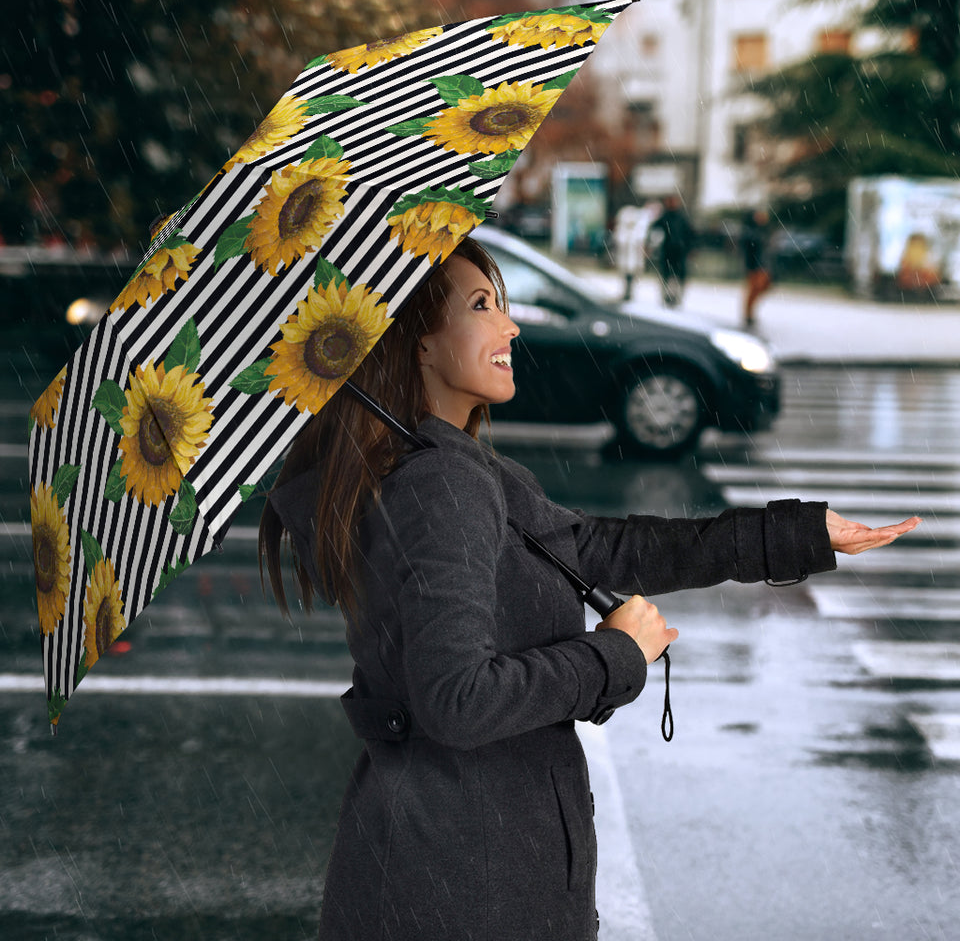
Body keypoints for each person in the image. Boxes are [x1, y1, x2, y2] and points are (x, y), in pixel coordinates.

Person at [259, 237, 919, 941]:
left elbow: (603, 548)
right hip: (466, 884)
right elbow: (456, 701)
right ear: (418, 344)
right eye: (482, 306)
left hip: (453, 865)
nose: (510, 326)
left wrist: (796, 535)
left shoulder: (451, 470)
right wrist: (613, 654)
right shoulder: (439, 485)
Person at [648, 194, 695, 308]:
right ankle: (667, 296)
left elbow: (690, 234)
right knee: (667, 275)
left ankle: (675, 297)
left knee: (677, 276)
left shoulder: (681, 218)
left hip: (679, 252)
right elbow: (654, 230)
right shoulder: (665, 217)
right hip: (668, 251)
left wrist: (690, 248)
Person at [741, 207, 772, 328]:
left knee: (762, 287)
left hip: (763, 264)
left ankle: (750, 312)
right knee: (754, 289)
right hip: (754, 265)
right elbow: (750, 246)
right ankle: (748, 314)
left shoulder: (763, 230)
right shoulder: (750, 231)